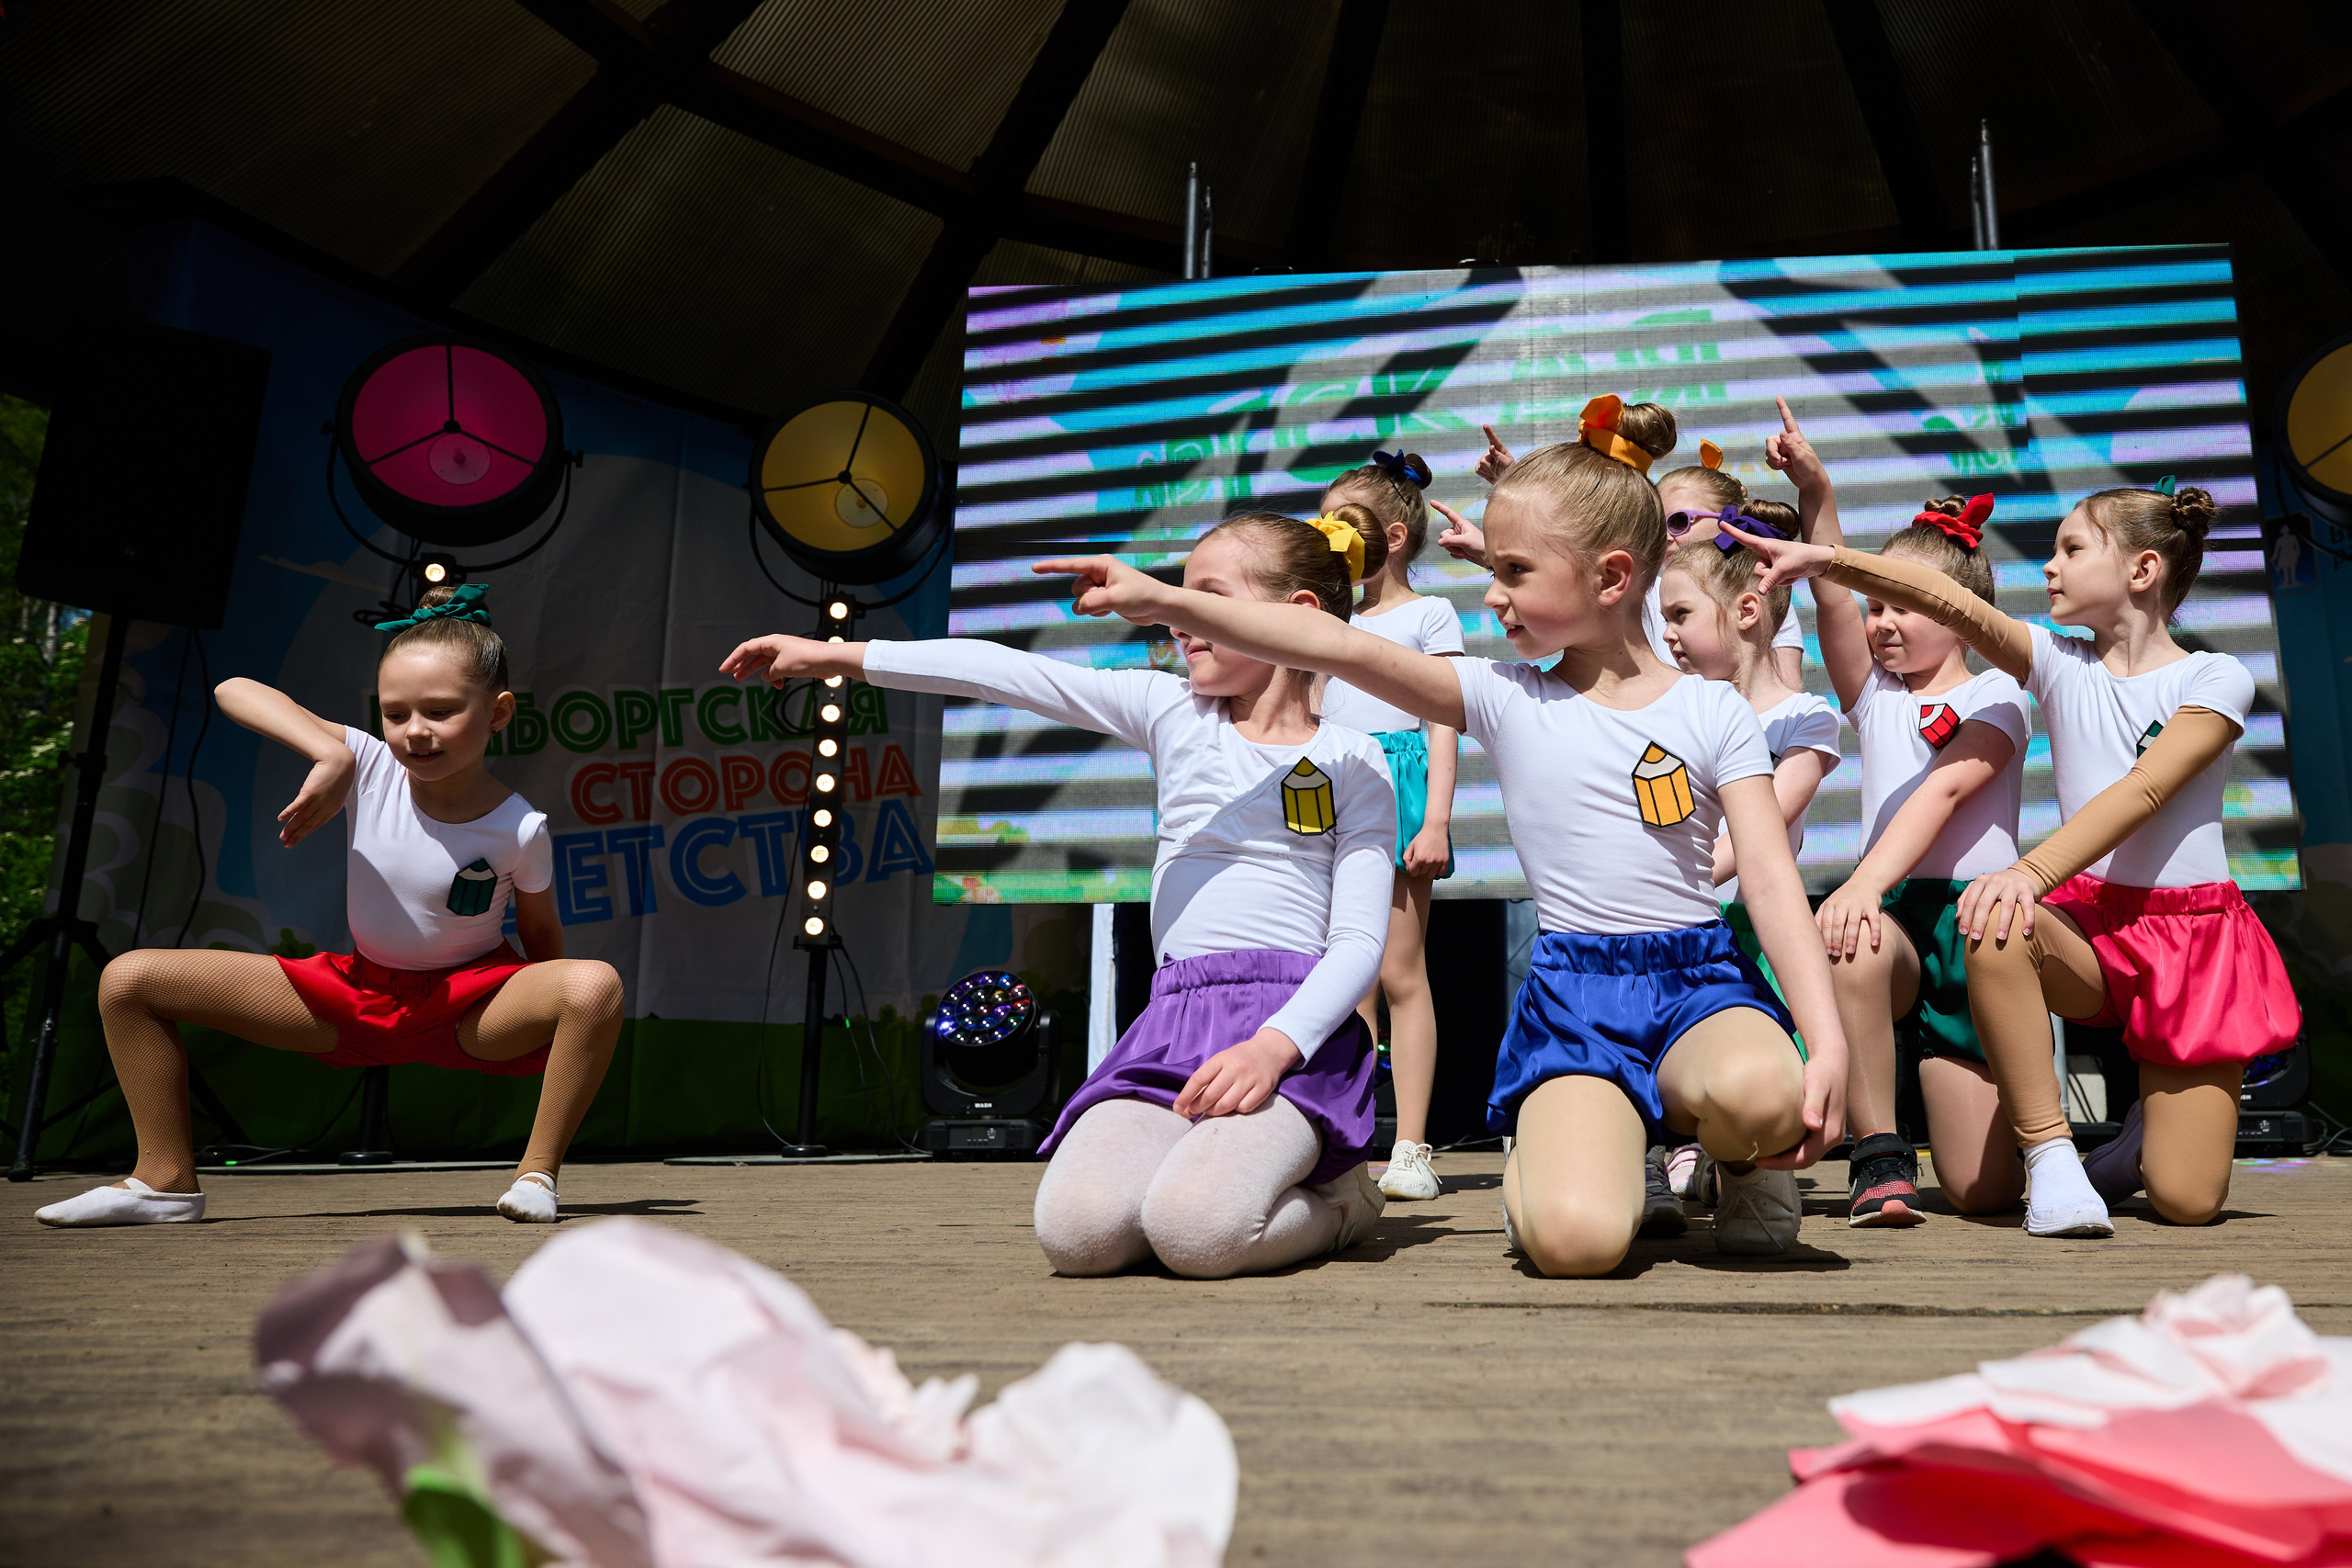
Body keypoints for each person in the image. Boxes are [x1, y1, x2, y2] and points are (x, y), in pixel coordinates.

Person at [1040, 395, 1850, 1279]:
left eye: (1512, 570)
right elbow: (1324, 641)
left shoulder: (1713, 712)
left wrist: (1826, 1040)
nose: (1491, 592)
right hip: (1578, 997)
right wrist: (1160, 599)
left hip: (1697, 978)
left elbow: (1769, 885)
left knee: (1766, 1094)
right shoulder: (1505, 695)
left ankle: (1741, 1169)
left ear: (1612, 578)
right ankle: (1555, 1172)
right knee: (1574, 1246)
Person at [720, 513, 1395, 1280]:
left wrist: (1275, 1046)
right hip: (1175, 1024)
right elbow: (995, 670)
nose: (1181, 616)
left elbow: (1358, 944)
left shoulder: (1355, 757)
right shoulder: (1170, 710)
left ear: (1296, 615)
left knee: (1197, 1232)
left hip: (1289, 1033)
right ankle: (1212, 1169)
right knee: (1078, 1235)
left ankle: (1342, 1202)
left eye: (1205, 597)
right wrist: (834, 655)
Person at [1729, 478, 2299, 1237]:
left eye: (2070, 549)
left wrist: (2029, 869)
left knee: (2186, 1202)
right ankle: (2052, 1157)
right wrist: (1828, 557)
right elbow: (1949, 597)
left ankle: (2131, 1149)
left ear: (2142, 570)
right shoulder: (2056, 663)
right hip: (2090, 927)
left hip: (2190, 939)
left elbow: (2146, 787)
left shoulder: (2213, 675)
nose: (2050, 569)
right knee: (1997, 919)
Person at [36, 585, 625, 1228]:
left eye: (440, 711)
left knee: (595, 985)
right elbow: (233, 687)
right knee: (128, 981)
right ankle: (164, 1179)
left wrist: (551, 1024)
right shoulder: (368, 763)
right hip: (353, 995)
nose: (414, 732)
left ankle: (537, 1173)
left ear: (498, 711)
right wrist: (331, 751)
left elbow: (542, 936)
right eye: (395, 713)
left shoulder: (519, 827)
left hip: (472, 1007)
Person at [1765, 406, 2034, 1227]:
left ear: (1956, 610)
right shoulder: (1874, 697)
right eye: (1875, 606)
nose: (1878, 621)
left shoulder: (1999, 693)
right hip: (1889, 919)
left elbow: (1945, 791)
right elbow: (1833, 600)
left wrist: (1862, 877)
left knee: (1983, 1193)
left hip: (1976, 926)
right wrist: (1816, 490)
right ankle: (1878, 1151)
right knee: (1851, 935)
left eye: (1897, 605)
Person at [1651, 498, 1843, 1216]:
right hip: (1680, 917)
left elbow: (1762, 830)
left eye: (1680, 617)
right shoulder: (1668, 714)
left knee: (1762, 1054)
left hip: (1751, 924)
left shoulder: (1802, 719)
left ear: (1746, 614)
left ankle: (1750, 1172)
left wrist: (1687, 882)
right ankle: (1662, 1156)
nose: (1666, 634)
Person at [1313, 452, 1464, 1202]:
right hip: (1329, 790)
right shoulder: (1321, 616)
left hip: (1398, 788)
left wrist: (1435, 817)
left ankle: (1409, 1145)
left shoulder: (1427, 614)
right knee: (1344, 978)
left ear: (1394, 536)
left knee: (1399, 971)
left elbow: (1442, 720)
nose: (1327, 533)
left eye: (1342, 522)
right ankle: (1344, 1137)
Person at [1458, 421, 1806, 686]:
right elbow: (1568, 560)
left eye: (1680, 521)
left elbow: (1783, 691)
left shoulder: (1762, 587)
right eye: (1659, 524)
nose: (1666, 536)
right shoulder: (1646, 586)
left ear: (1731, 521)